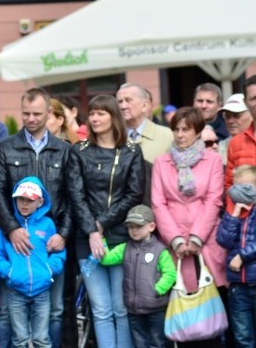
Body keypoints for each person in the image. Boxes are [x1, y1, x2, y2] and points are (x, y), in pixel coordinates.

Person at [0, 87, 78, 348]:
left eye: (37, 113)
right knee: (7, 311)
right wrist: (12, 229)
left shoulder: (64, 150)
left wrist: (62, 234)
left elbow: (72, 196)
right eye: (26, 113)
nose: (30, 118)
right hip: (15, 240)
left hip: (51, 241)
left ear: (49, 112)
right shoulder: (6, 148)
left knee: (55, 310)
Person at [69, 94, 145, 348]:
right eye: (91, 113)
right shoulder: (78, 151)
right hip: (86, 240)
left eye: (101, 113)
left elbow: (134, 194)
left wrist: (101, 224)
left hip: (122, 237)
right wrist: (92, 230)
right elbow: (76, 196)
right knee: (101, 309)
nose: (94, 118)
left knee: (121, 308)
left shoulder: (132, 152)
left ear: (114, 117)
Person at [151, 106, 226, 348]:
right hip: (173, 242)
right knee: (181, 309)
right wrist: (175, 239)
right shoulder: (162, 162)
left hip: (206, 240)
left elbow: (214, 199)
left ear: (198, 131)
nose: (180, 134)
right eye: (176, 129)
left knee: (210, 307)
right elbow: (158, 202)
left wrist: (196, 238)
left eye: (186, 129)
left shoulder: (212, 159)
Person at [0, 177, 66, 348]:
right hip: (15, 291)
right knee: (20, 340)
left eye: (29, 200)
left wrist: (47, 271)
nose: (24, 204)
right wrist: (10, 272)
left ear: (40, 202)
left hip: (42, 292)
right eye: (20, 199)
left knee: (42, 339)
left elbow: (58, 253)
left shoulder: (47, 225)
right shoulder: (8, 228)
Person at [100, 205, 176, 348]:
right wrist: (101, 239)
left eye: (139, 226)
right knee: (139, 343)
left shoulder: (160, 250)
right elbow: (106, 259)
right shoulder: (125, 248)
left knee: (157, 343)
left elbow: (170, 273)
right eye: (130, 227)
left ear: (151, 226)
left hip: (156, 309)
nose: (134, 230)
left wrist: (157, 290)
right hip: (134, 309)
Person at [217, 164, 256, 348]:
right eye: (235, 187)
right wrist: (233, 215)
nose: (238, 192)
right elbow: (223, 240)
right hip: (237, 286)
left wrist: (242, 255)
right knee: (242, 337)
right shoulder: (233, 212)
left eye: (245, 187)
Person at [226, 76, 256, 190]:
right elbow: (229, 185)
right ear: (246, 103)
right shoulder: (235, 143)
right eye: (254, 98)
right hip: (245, 208)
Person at [218, 93, 252, 165]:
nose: (230, 121)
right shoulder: (220, 147)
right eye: (227, 116)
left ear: (251, 115)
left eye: (236, 115)